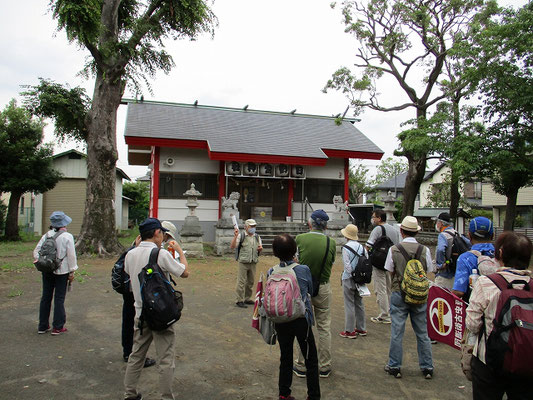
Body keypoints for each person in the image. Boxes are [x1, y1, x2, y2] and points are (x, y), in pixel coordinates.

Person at [123, 218, 189, 400]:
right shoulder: (160, 254)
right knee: (166, 358)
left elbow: (129, 275)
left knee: (136, 355)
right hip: (161, 313)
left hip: (140, 312)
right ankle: (166, 397)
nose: (162, 236)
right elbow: (184, 272)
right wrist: (180, 252)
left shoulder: (130, 255)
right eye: (161, 232)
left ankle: (130, 394)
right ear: (156, 233)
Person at [465, 232, 532, 400]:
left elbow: (472, 324)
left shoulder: (486, 283)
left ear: (500, 253)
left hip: (490, 360)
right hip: (527, 359)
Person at [268, 234, 320, 400]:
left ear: (275, 253)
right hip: (300, 319)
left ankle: (284, 393)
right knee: (310, 358)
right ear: (294, 251)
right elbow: (311, 290)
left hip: (281, 318)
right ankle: (313, 395)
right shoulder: (302, 270)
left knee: (285, 356)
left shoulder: (271, 271)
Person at [384, 216, 434, 379]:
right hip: (419, 294)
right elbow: (428, 270)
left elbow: (389, 270)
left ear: (401, 231)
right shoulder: (424, 250)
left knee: (397, 331)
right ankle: (427, 367)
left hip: (399, 292)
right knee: (422, 332)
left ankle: (394, 365)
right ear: (417, 232)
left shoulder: (394, 249)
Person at [293, 209, 336, 379]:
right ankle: (324, 365)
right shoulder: (331, 242)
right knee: (324, 327)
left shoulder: (300, 239)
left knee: (303, 325)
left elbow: (295, 260)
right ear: (325, 226)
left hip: (303, 287)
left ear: (310, 223)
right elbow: (331, 263)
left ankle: (302, 364)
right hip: (323, 286)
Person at [34, 211, 78, 335]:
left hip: (47, 270)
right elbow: (71, 256)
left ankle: (42, 325)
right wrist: (72, 270)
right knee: (59, 298)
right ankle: (58, 326)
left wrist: (42, 262)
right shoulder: (67, 236)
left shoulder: (47, 235)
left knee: (46, 297)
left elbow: (36, 251)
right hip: (62, 271)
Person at [121, 234, 156, 368]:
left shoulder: (130, 251)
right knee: (139, 324)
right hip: (135, 291)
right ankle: (135, 355)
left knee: (128, 319)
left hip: (128, 290)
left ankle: (127, 351)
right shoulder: (137, 252)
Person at [366, 209, 399, 324]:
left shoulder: (377, 229)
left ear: (379, 218)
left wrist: (365, 257)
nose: (373, 219)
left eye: (374, 217)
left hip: (378, 262)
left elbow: (368, 246)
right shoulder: (394, 230)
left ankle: (384, 315)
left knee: (380, 289)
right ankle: (391, 311)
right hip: (391, 262)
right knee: (389, 288)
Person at [452, 217, 494, 300]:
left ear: (469, 236)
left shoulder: (465, 258)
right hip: (500, 308)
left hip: (475, 308)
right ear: (493, 235)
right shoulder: (501, 254)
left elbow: (459, 292)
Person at [340, 224, 369, 338]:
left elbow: (347, 266)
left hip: (349, 278)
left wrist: (351, 273)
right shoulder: (362, 248)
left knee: (349, 304)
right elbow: (366, 261)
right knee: (359, 303)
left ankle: (350, 330)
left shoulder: (346, 248)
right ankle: (361, 328)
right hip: (361, 278)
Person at [230, 218, 263, 308]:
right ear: (246, 227)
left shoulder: (257, 237)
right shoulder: (241, 236)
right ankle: (239, 300)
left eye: (254, 226)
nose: (253, 228)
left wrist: (260, 249)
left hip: (253, 261)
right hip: (243, 261)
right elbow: (232, 247)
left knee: (251, 281)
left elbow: (260, 248)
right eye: (251, 226)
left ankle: (247, 298)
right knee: (241, 281)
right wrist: (235, 236)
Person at [433, 212, 470, 290]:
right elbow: (469, 244)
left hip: (444, 274)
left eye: (437, 222)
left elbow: (440, 249)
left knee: (441, 299)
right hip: (456, 273)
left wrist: (440, 264)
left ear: (441, 223)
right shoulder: (457, 233)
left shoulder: (443, 235)